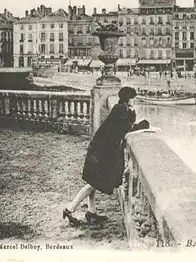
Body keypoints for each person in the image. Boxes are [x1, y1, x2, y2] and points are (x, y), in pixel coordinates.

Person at [63, 87, 150, 226]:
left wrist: (132, 116)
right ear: (128, 99)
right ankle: (69, 209)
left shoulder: (121, 109)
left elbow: (123, 128)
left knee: (93, 182)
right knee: (93, 184)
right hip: (100, 151)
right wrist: (142, 124)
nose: (135, 100)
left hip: (99, 149)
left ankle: (91, 212)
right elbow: (127, 128)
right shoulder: (119, 110)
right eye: (133, 97)